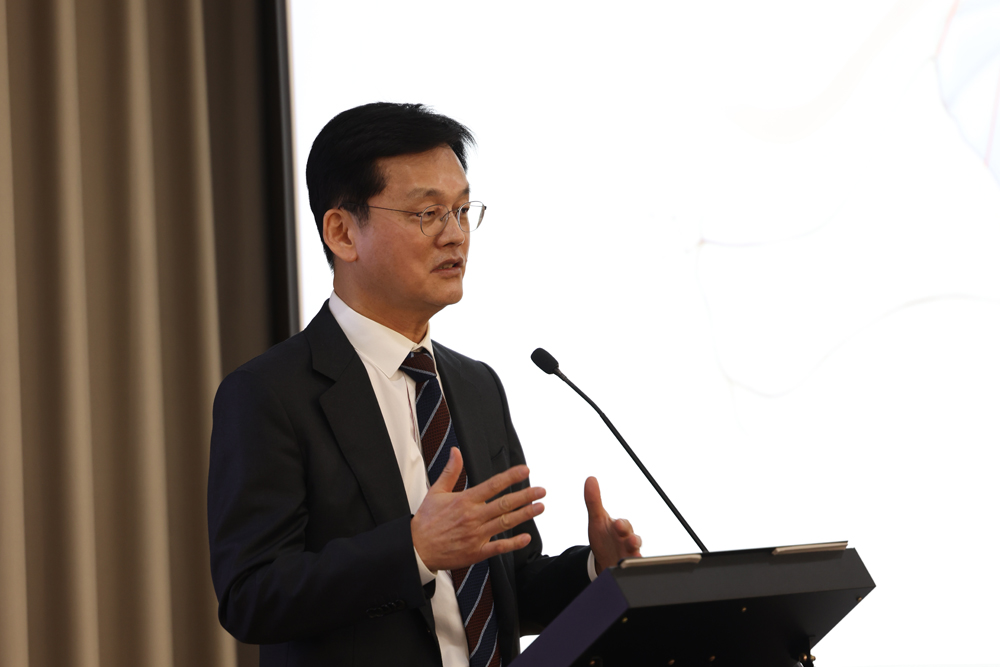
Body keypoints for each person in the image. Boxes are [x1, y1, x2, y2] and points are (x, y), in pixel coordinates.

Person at [207, 102, 642, 667]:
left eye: (462, 210)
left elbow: (506, 589)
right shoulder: (270, 394)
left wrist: (594, 570)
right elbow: (251, 597)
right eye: (427, 213)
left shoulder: (476, 385)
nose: (455, 235)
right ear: (342, 232)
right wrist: (413, 550)